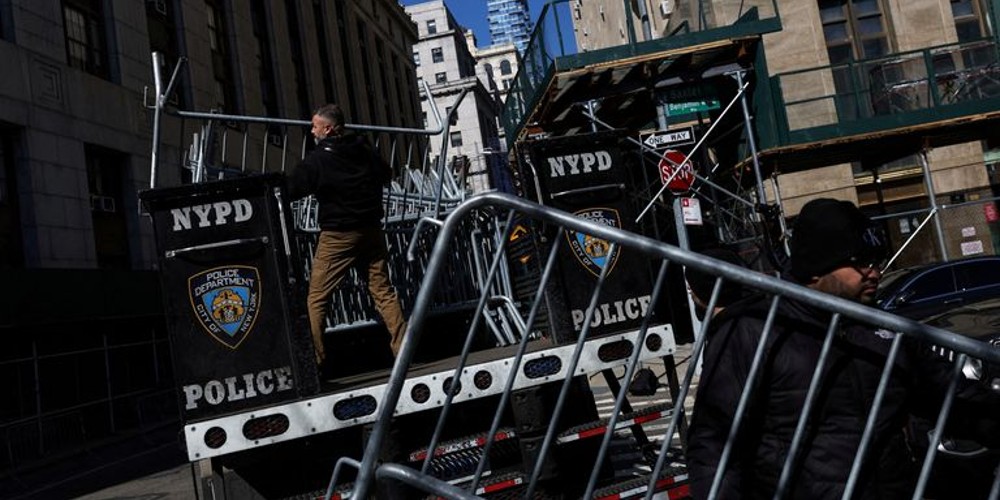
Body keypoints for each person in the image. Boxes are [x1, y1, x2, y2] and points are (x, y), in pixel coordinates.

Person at [686, 198, 1000, 499]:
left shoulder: (885, 329)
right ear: (817, 269)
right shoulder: (755, 329)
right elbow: (714, 447)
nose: (874, 272)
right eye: (859, 263)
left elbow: (952, 397)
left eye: (875, 261)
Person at [287, 104, 407, 369]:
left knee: (317, 297)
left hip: (338, 234)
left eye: (315, 126)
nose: (312, 130)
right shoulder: (363, 150)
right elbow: (386, 174)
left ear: (328, 129)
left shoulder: (318, 160)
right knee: (383, 291)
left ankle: (314, 362)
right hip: (370, 229)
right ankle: (403, 350)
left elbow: (291, 189)